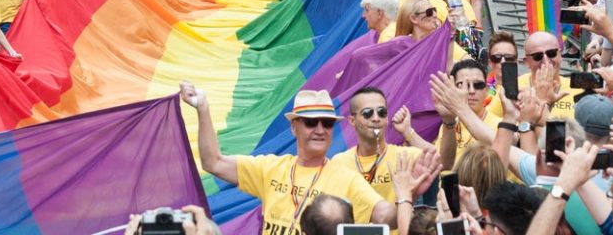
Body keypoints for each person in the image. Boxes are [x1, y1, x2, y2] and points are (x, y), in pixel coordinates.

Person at [178, 83, 439, 234]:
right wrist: (203, 109)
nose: (320, 130)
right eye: (311, 122)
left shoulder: (344, 176)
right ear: (294, 127)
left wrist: (408, 194)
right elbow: (213, 162)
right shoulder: (270, 167)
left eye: (326, 123)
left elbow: (386, 217)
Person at [329, 87, 434, 203]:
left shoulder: (404, 157)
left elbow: (437, 159)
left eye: (381, 112)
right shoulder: (339, 162)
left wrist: (408, 131)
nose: (376, 118)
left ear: (387, 118)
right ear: (352, 121)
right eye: (367, 113)